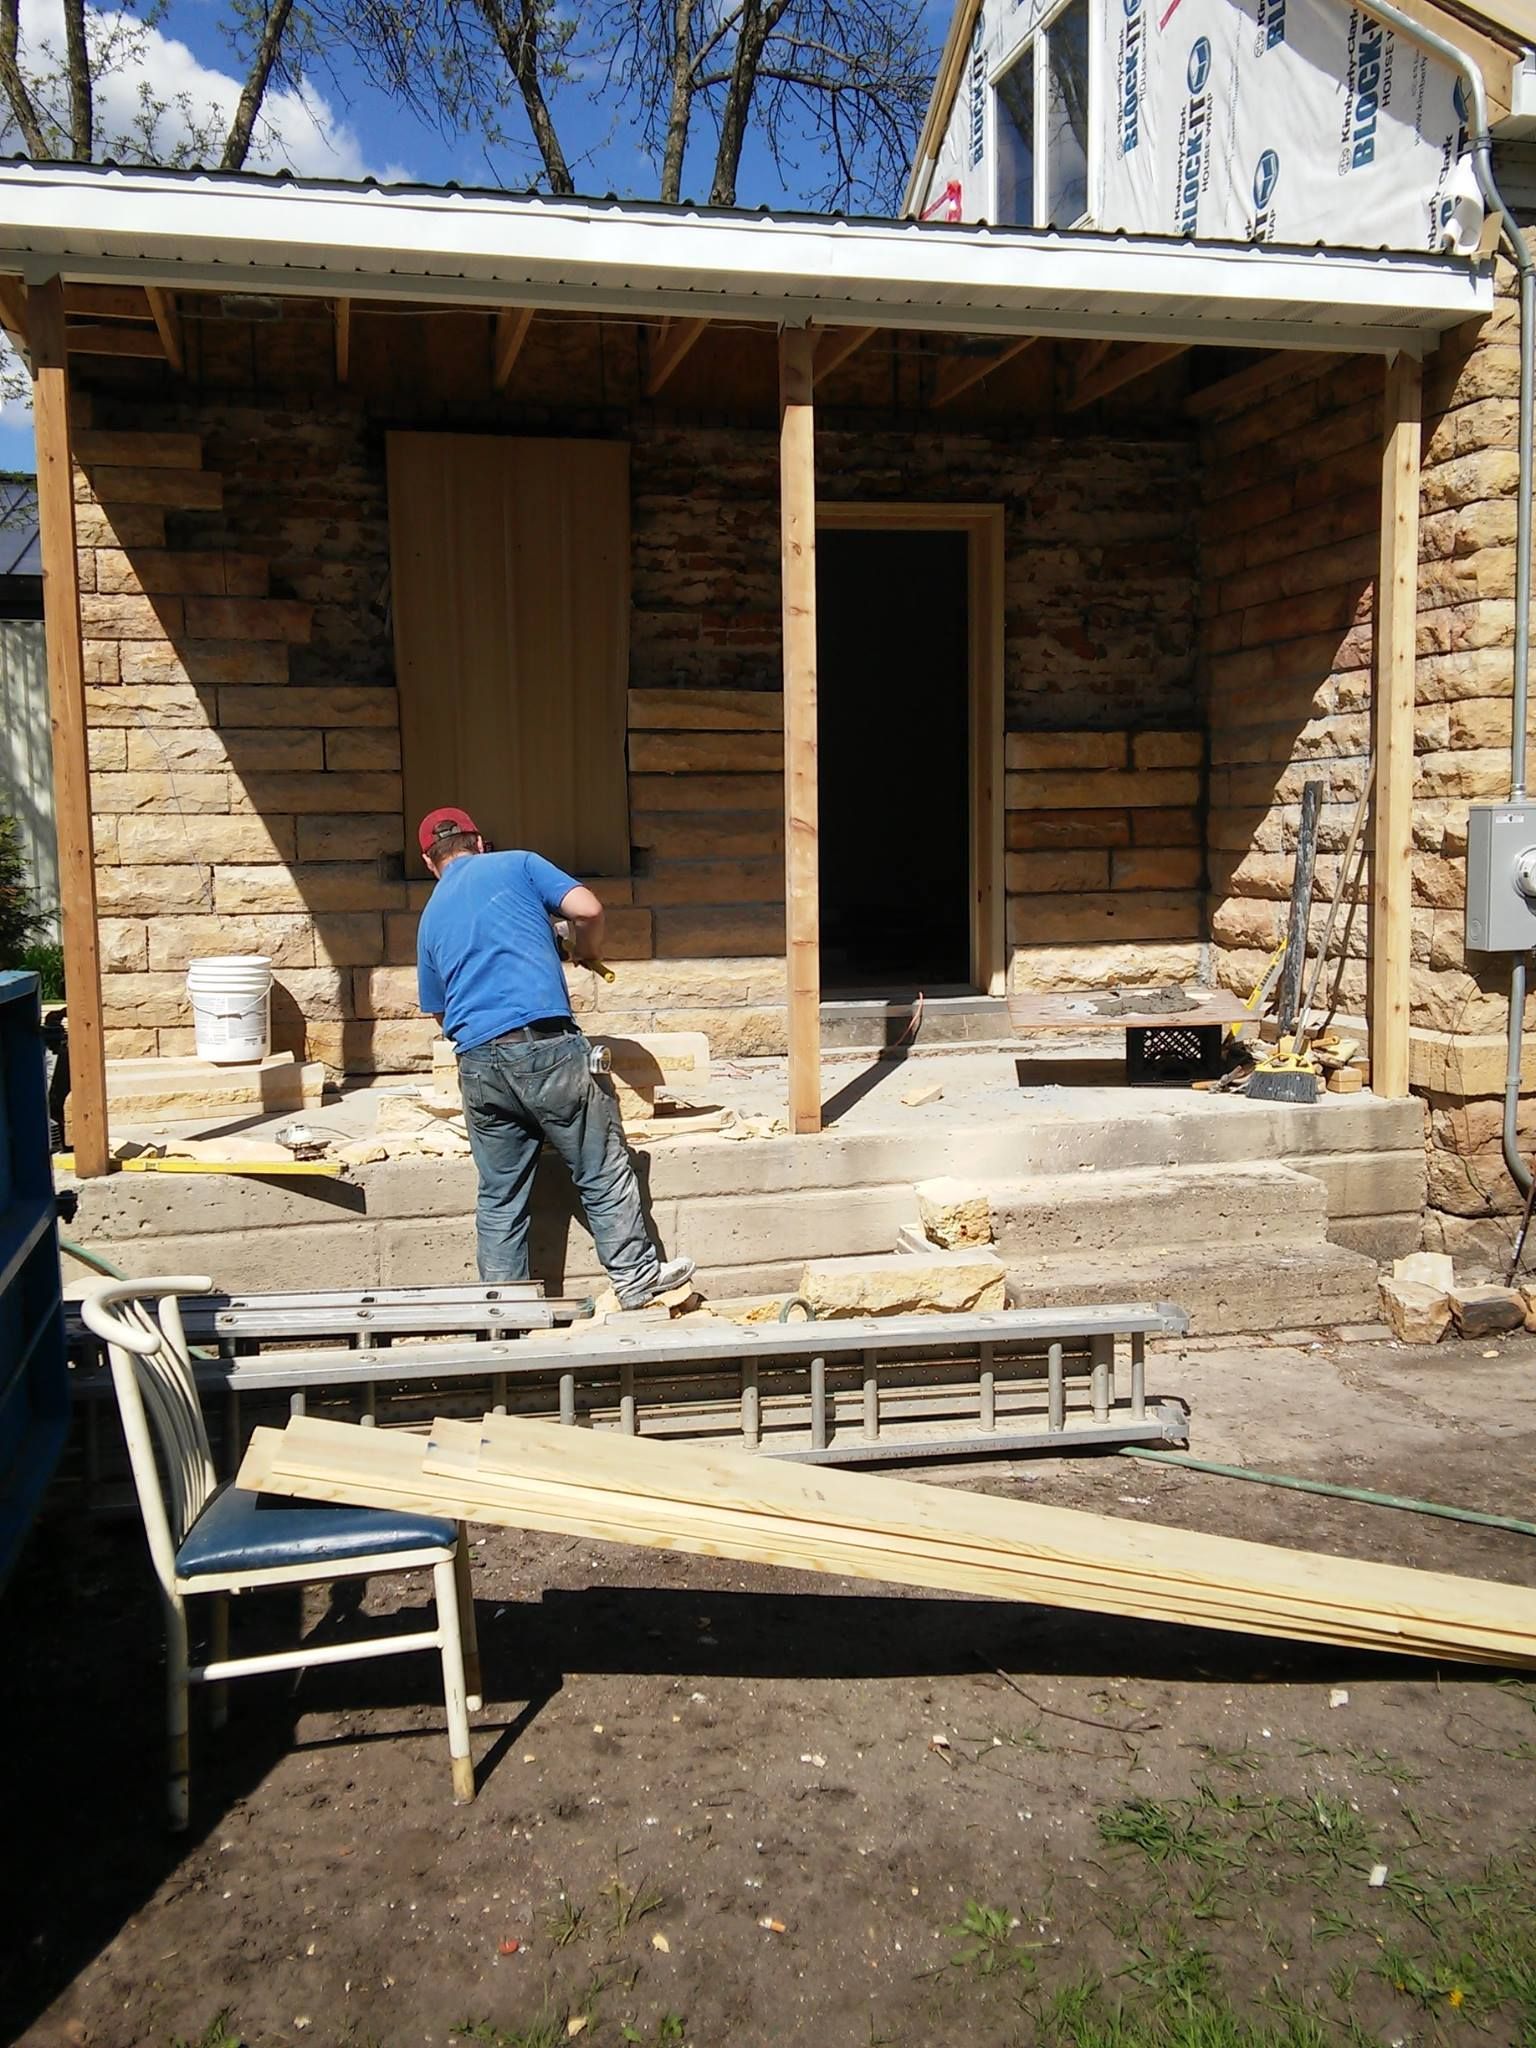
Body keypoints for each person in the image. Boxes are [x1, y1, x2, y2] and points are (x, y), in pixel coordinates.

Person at [414, 806, 694, 1307]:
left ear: (429, 862)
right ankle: (636, 1281)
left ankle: (503, 1310)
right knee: (600, 1166)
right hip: (546, 1046)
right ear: (480, 843)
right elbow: (586, 910)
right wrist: (584, 949)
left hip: (478, 1062)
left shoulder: (430, 916)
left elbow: (439, 1013)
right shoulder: (518, 864)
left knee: (500, 1197)